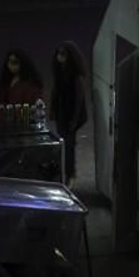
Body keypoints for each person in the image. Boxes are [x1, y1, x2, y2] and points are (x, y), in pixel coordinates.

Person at [49, 41, 90, 184]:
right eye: (59, 53)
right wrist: (52, 109)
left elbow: (79, 101)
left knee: (69, 145)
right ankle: (65, 173)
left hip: (72, 114)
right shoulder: (59, 71)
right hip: (62, 112)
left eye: (63, 54)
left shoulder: (75, 76)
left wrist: (73, 120)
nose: (60, 57)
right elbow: (55, 92)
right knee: (64, 143)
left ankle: (69, 175)